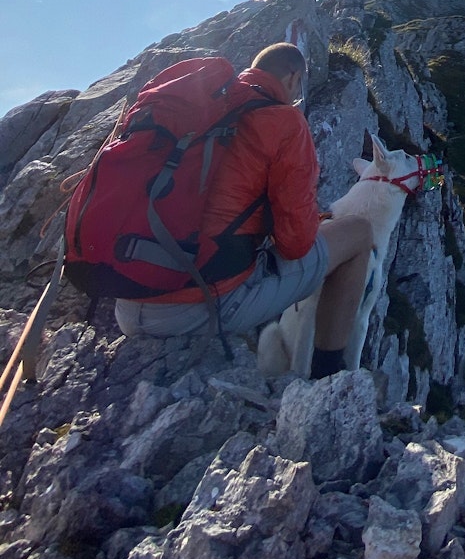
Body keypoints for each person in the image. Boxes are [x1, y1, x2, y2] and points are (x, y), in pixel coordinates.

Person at [114, 42, 373, 379]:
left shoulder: (202, 105)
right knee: (358, 232)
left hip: (127, 299)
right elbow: (295, 244)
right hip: (195, 306)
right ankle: (329, 378)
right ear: (294, 77)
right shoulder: (285, 122)